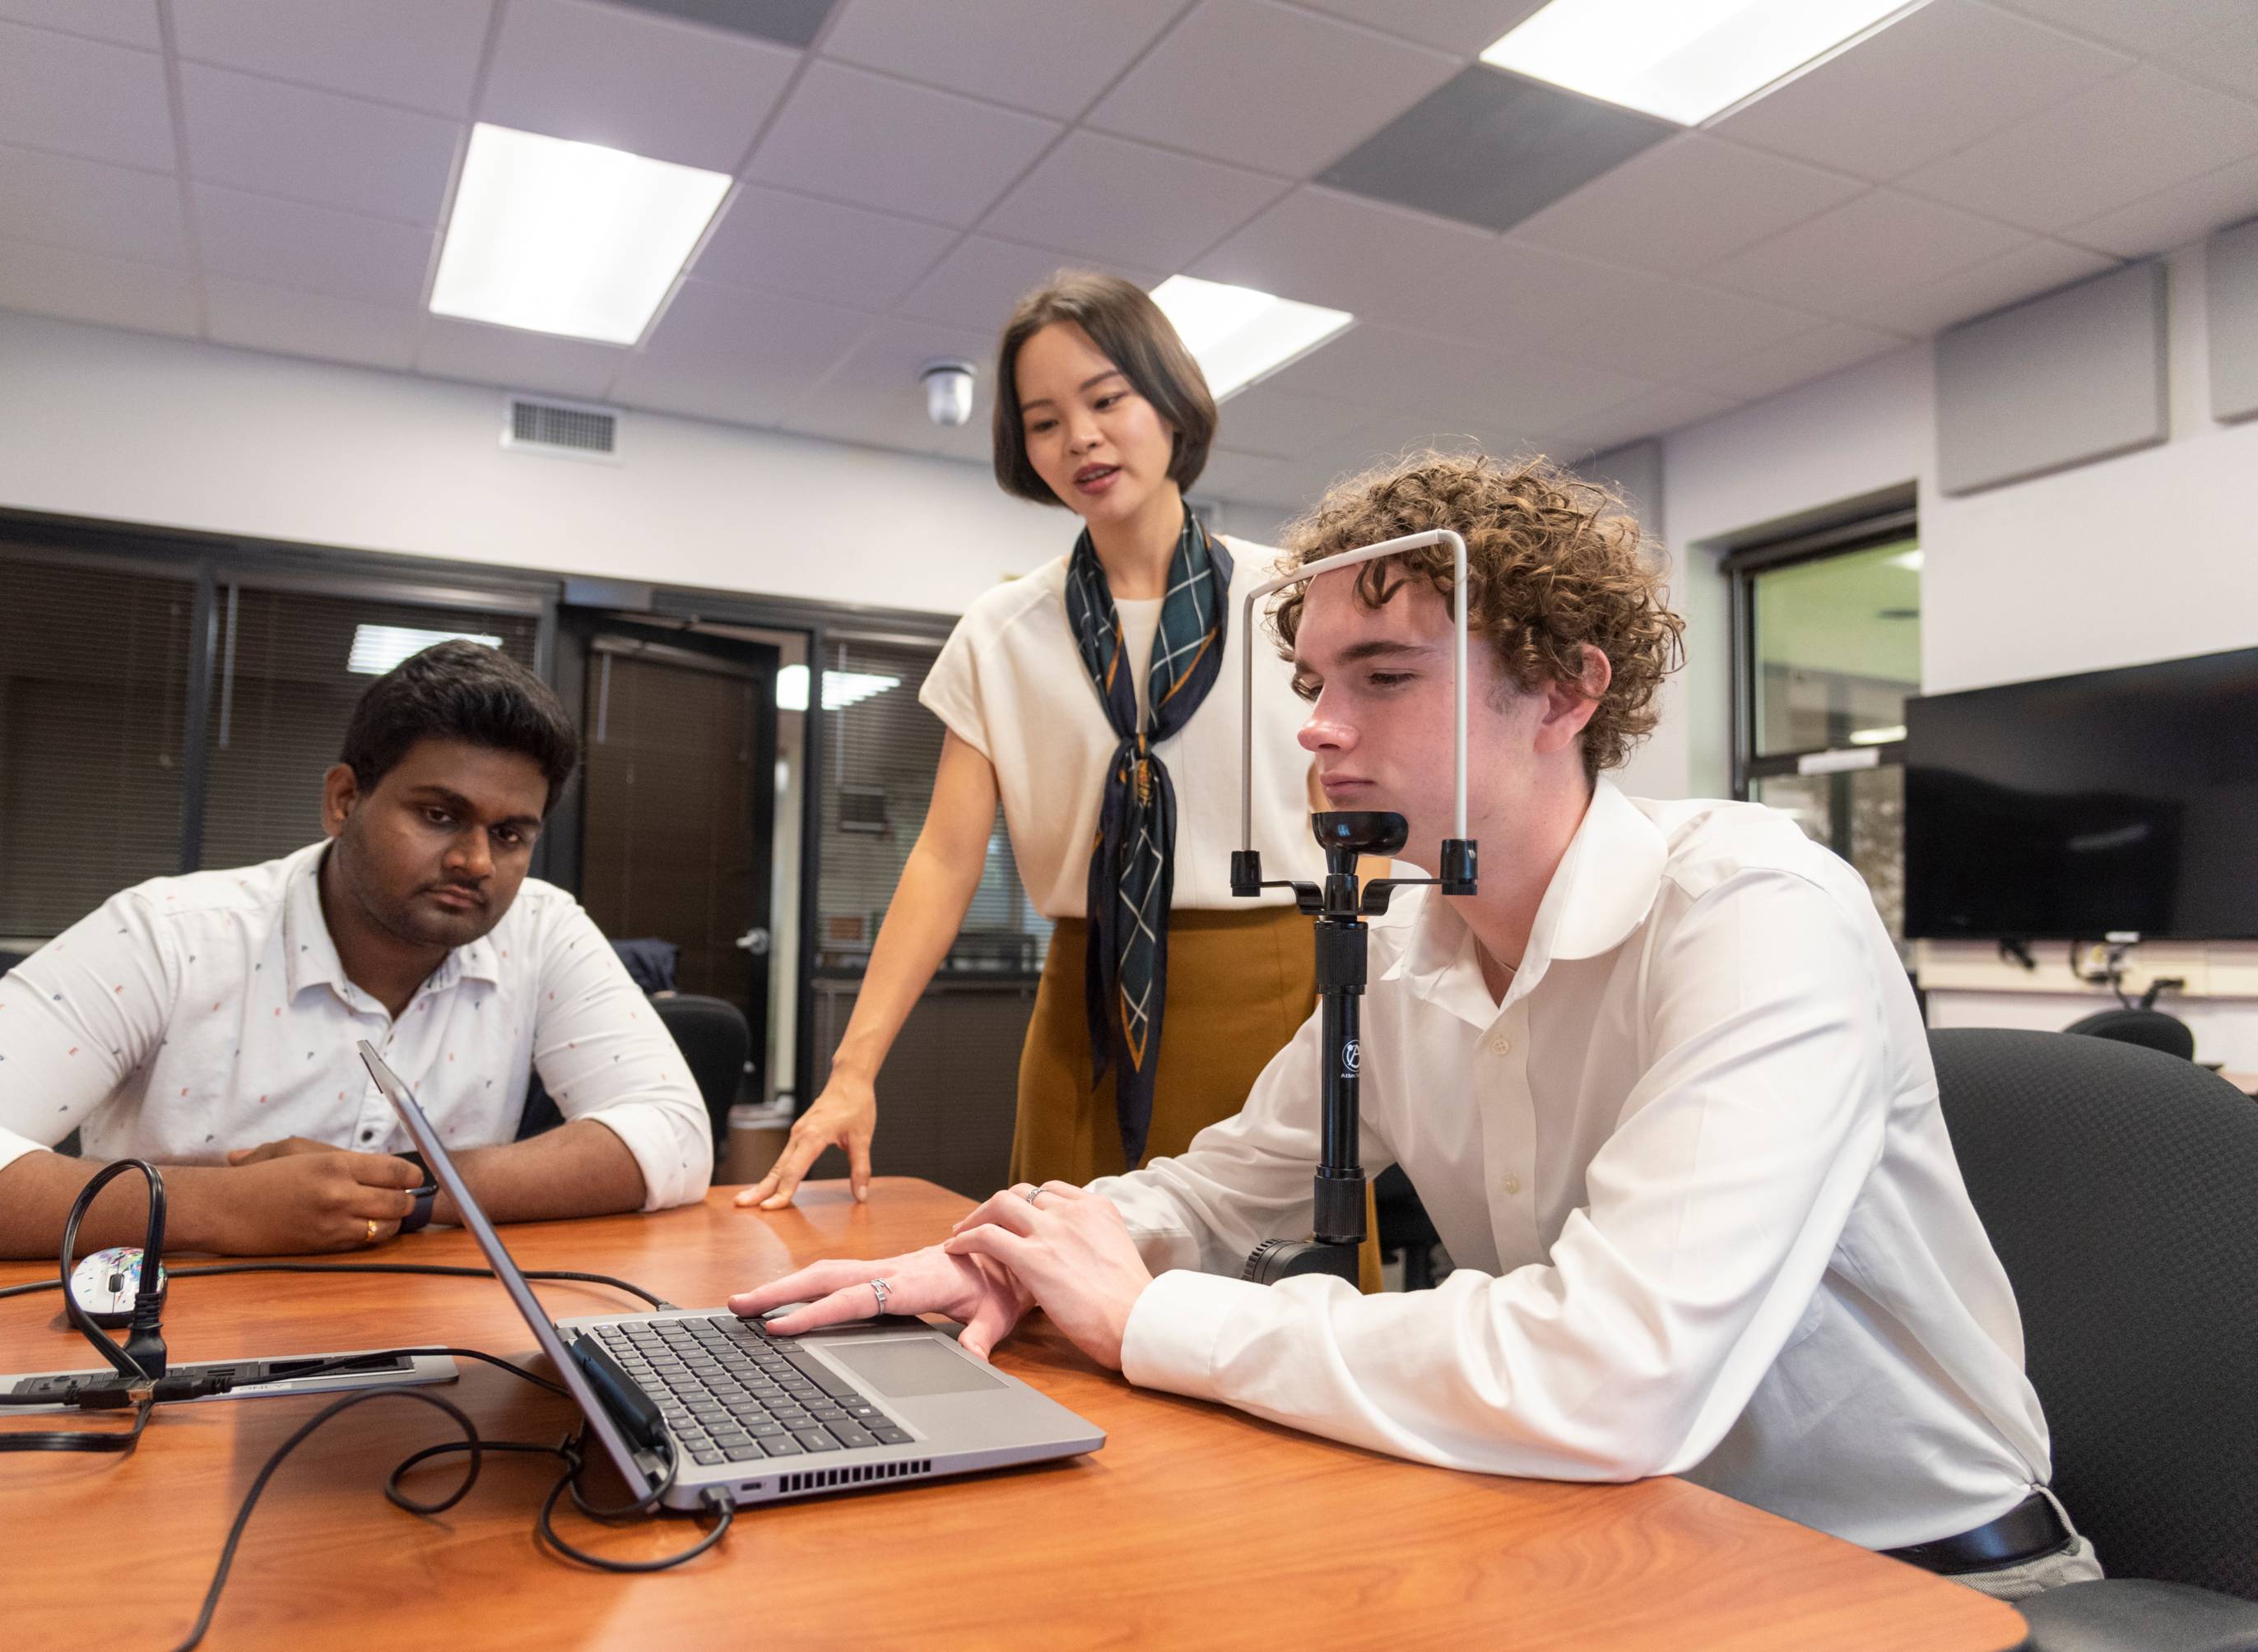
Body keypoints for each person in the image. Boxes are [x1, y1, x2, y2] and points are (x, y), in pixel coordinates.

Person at [732, 453, 2099, 1600]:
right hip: (1627, 1539)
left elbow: (1612, 1371)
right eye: (1313, 683)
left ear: (1564, 692)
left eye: (1380, 676)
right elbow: (1214, 1188)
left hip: (1918, 1581)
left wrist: (1151, 1317)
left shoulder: (1753, 906)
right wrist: (1023, 1261)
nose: (1316, 731)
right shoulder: (1404, 942)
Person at [736, 272, 1336, 1237]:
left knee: (1273, 1314)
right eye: (1044, 420)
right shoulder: (1000, 631)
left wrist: (1376, 1008)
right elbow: (942, 858)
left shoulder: (1298, 599)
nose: (1082, 439)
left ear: (1171, 400)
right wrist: (850, 1073)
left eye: (1106, 400)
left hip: (1275, 1000)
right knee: (1063, 1306)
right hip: (1081, 1011)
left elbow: (1359, 819)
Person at [0, 642, 711, 1260]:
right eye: (439, 815)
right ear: (344, 800)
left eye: (511, 833)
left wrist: (417, 1191)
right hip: (163, 1355)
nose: (475, 859)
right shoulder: (168, 934)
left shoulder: (541, 929)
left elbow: (673, 1135)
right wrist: (217, 1206)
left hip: (429, 1351)